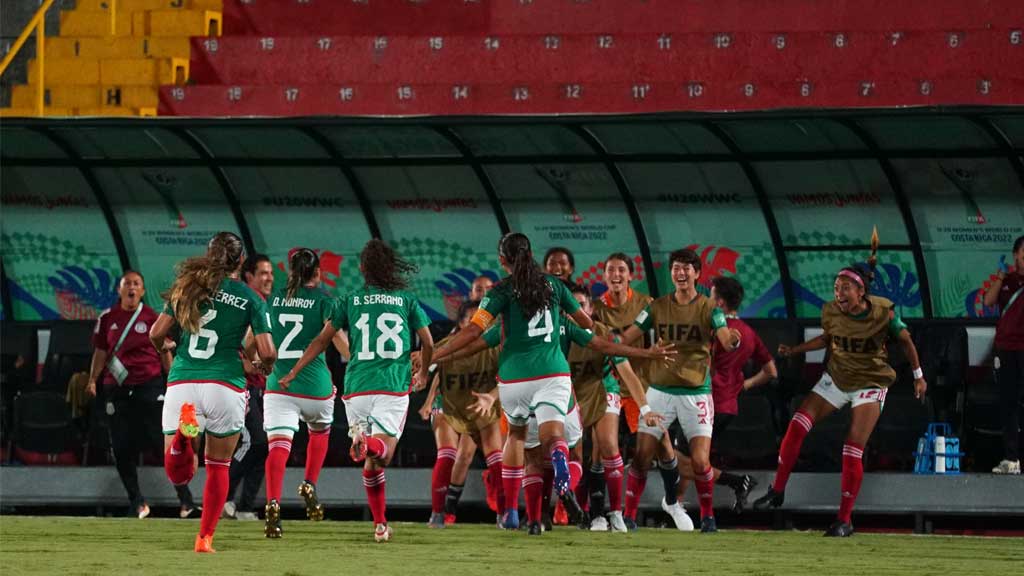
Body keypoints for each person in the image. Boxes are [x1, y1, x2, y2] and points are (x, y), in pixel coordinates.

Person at [433, 233, 675, 533]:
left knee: (518, 438)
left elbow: (473, 336)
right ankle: (563, 472)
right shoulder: (555, 286)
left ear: (502, 261)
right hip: (553, 374)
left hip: (514, 378)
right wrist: (645, 352)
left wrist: (435, 354)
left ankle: (510, 511)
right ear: (531, 254)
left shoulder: (501, 292)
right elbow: (595, 335)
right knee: (558, 438)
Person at [752, 258, 928, 537]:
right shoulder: (831, 311)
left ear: (861, 292)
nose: (839, 293)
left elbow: (906, 341)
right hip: (837, 377)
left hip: (871, 381)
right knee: (796, 425)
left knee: (852, 446)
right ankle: (777, 491)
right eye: (836, 288)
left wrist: (919, 375)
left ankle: (844, 520)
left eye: (845, 287)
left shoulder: (884, 313)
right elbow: (827, 338)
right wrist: (795, 350)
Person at [281, 239, 433, 543]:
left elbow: (322, 341)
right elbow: (428, 343)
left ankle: (380, 525)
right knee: (383, 454)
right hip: (391, 385)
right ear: (390, 267)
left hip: (356, 389)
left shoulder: (348, 300)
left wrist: (294, 370)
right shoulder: (406, 300)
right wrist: (424, 373)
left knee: (370, 466)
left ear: (362, 269)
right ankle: (369, 444)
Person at [150, 231, 277, 553]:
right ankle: (204, 538)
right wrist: (262, 366)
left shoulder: (187, 287)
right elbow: (268, 351)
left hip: (184, 382)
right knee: (218, 467)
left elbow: (156, 333)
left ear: (208, 256)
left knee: (177, 474)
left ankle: (183, 438)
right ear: (240, 262)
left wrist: (165, 347)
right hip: (225, 384)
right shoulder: (250, 298)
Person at [618, 248, 741, 533]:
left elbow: (725, 340)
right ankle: (629, 516)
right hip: (659, 391)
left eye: (687, 268)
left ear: (697, 274)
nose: (681, 272)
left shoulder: (710, 309)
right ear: (671, 273)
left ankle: (708, 516)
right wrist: (646, 352)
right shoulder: (657, 306)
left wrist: (732, 340)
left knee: (700, 461)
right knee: (641, 456)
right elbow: (626, 339)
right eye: (676, 268)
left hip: (695, 393)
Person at [87, 270, 196, 519]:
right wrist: (93, 379)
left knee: (163, 444)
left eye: (137, 284)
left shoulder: (152, 317)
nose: (132, 288)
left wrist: (174, 382)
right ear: (120, 290)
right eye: (127, 284)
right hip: (118, 390)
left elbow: (165, 350)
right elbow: (101, 352)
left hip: (149, 387)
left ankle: (186, 501)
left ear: (143, 291)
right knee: (122, 448)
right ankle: (137, 502)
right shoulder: (108, 318)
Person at [671, 276, 775, 513]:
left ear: (718, 302)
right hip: (728, 406)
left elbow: (705, 364)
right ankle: (676, 505)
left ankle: (737, 481)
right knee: (692, 456)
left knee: (674, 458)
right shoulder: (749, 332)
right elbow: (771, 371)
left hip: (704, 402)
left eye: (710, 296)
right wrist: (743, 386)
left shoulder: (717, 329)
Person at [262, 249, 346, 538]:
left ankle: (272, 503)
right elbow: (335, 339)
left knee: (278, 447)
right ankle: (309, 482)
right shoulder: (324, 300)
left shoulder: (273, 300)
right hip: (315, 388)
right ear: (318, 273)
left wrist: (256, 363)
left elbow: (253, 341)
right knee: (319, 432)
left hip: (278, 386)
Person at [563, 284, 655, 532]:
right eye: (571, 305)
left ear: (591, 309)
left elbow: (628, 374)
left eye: (581, 305)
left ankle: (615, 512)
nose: (575, 310)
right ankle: (588, 513)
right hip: (571, 394)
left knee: (608, 446)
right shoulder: (557, 336)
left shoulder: (606, 336)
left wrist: (645, 410)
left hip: (603, 388)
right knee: (576, 455)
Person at [419, 300, 504, 528]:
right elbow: (428, 369)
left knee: (496, 457)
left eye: (483, 320)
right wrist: (420, 384)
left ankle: (505, 514)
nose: (477, 325)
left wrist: (494, 398)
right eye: (471, 320)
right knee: (447, 454)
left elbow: (508, 378)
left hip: (480, 406)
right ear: (460, 324)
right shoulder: (447, 345)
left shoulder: (495, 349)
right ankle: (438, 513)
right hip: (449, 405)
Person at [224, 253, 274, 521]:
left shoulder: (265, 304)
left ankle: (244, 506)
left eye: (271, 273)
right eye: (263, 273)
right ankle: (223, 496)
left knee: (264, 447)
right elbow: (243, 352)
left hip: (263, 388)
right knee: (255, 441)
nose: (269, 278)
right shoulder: (244, 303)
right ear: (249, 276)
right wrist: (255, 365)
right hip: (242, 387)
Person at [983, 235, 1024, 475]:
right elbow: (988, 301)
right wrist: (1000, 277)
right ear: (1015, 254)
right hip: (1006, 350)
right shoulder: (1006, 280)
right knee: (1008, 403)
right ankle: (1011, 459)